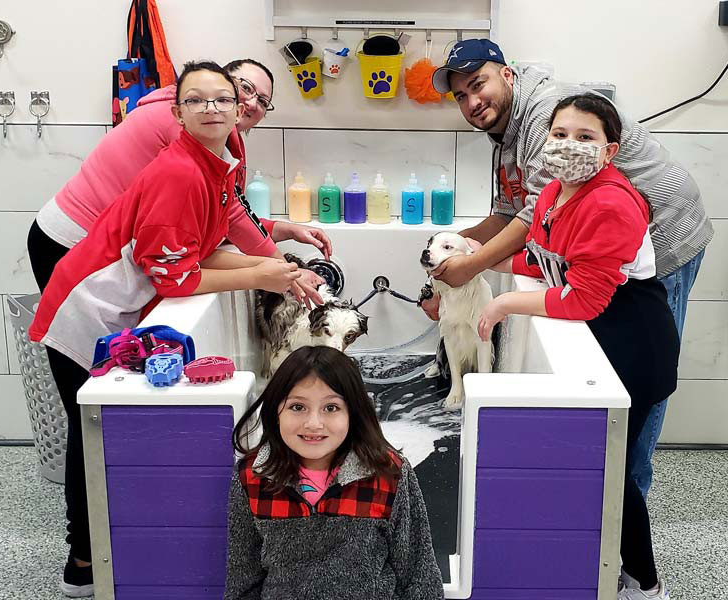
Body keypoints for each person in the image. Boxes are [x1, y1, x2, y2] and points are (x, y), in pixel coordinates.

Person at [28, 61, 302, 598]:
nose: (220, 108)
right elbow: (176, 279)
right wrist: (263, 272)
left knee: (101, 422)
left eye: (231, 100)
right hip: (87, 302)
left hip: (115, 292)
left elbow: (220, 234)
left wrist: (278, 265)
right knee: (94, 425)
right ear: (176, 111)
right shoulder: (178, 168)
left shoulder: (216, 161)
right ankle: (84, 563)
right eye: (201, 100)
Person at [424, 38, 712, 499]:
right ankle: (602, 492)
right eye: (460, 96)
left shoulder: (546, 117)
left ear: (508, 75)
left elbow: (528, 217)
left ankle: (628, 492)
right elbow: (513, 213)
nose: (473, 102)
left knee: (636, 390)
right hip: (602, 255)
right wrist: (451, 253)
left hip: (665, 234)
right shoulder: (505, 135)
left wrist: (469, 268)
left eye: (478, 85)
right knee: (605, 368)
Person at [476, 94, 676, 600]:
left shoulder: (611, 203)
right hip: (603, 335)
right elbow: (548, 259)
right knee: (597, 464)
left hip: (634, 345)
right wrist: (485, 262)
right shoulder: (553, 193)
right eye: (560, 134)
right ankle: (595, 558)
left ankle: (645, 581)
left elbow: (584, 296)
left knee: (614, 470)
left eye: (585, 138)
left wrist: (504, 306)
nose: (569, 145)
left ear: (610, 152)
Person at [28, 57, 330, 309]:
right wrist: (287, 272)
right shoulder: (187, 134)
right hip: (70, 238)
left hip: (110, 248)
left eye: (262, 100)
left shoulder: (223, 142)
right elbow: (230, 216)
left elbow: (220, 211)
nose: (251, 102)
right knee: (85, 366)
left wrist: (281, 230)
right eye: (244, 88)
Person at [224, 346, 444, 600]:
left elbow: (419, 576)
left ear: (353, 412)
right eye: (297, 407)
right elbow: (242, 583)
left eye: (331, 408)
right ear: (276, 411)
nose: (314, 423)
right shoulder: (252, 478)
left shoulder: (390, 474)